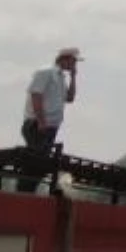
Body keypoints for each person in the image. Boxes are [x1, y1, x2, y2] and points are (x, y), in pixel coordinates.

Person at [18, 48, 80, 193]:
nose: (75, 64)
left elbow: (70, 98)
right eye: (74, 61)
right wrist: (41, 121)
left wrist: (73, 77)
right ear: (65, 59)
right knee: (35, 163)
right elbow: (36, 95)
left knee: (39, 164)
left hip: (49, 127)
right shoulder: (46, 72)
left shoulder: (60, 78)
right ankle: (23, 192)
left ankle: (27, 191)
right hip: (38, 125)